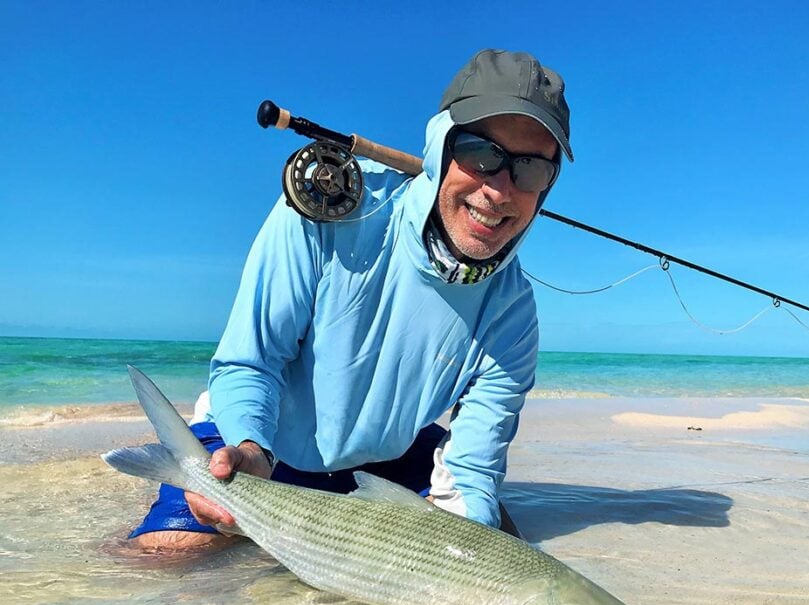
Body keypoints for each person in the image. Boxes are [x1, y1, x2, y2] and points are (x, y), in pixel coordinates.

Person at [128, 49, 572, 551]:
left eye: (530, 169)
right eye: (480, 154)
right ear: (440, 147)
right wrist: (250, 447)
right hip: (260, 444)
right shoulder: (329, 210)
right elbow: (253, 360)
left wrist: (463, 531)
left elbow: (472, 468)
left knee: (500, 556)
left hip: (387, 461)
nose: (498, 189)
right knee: (164, 558)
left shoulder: (513, 313)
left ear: (547, 187)